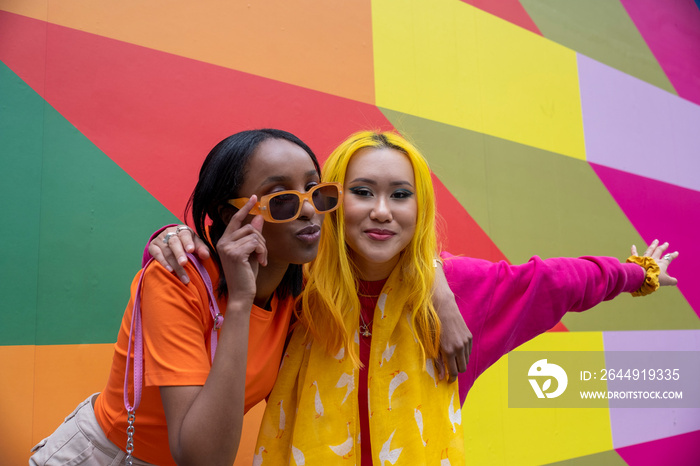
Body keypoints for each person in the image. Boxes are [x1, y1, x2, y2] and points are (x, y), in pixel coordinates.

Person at [152, 131, 677, 464]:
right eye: (361, 192)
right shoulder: (299, 282)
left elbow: (560, 280)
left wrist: (636, 273)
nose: (382, 210)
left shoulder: (468, 288)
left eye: (401, 195)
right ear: (330, 201)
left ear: (420, 207)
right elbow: (236, 250)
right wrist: (170, 236)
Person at [29, 129, 339, 465]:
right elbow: (203, 459)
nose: (309, 209)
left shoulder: (303, 294)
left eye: (315, 190)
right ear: (227, 214)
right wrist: (239, 303)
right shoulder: (176, 278)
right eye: (281, 199)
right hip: (105, 457)